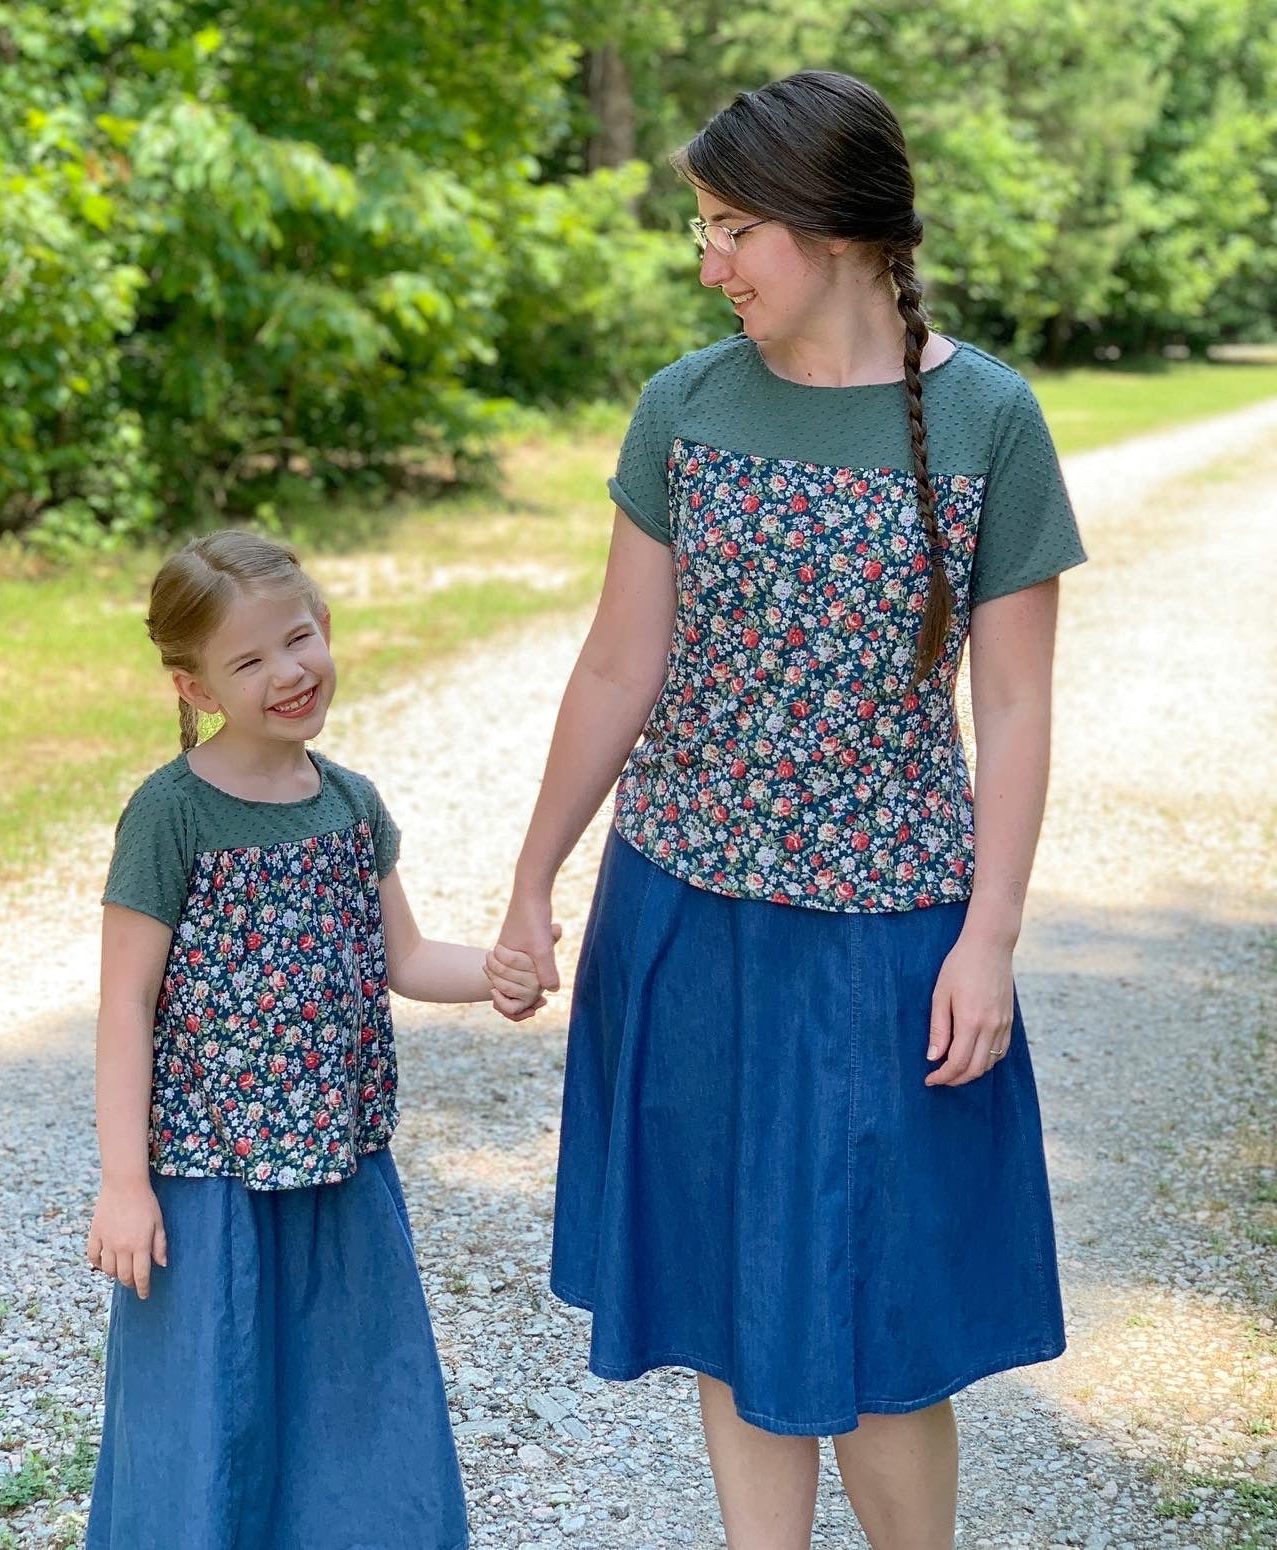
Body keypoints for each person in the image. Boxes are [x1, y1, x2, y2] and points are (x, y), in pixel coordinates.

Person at [497, 71, 1085, 1550]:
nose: (709, 263)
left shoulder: (990, 420)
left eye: (731, 228)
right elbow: (621, 661)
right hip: (686, 916)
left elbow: (1013, 707)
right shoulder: (683, 407)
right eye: (704, 227)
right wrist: (531, 882)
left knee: (886, 1332)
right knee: (728, 1307)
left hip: (891, 939)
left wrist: (991, 938)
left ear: (832, 227)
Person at [83, 529, 544, 1550]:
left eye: (297, 640)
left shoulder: (348, 802)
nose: (288, 672)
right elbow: (126, 1004)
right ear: (194, 683)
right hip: (209, 1181)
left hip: (343, 1171)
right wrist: (125, 1180)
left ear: (326, 627)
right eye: (248, 661)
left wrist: (500, 973)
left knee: (354, 1405)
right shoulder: (172, 814)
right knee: (210, 1406)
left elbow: (406, 956)